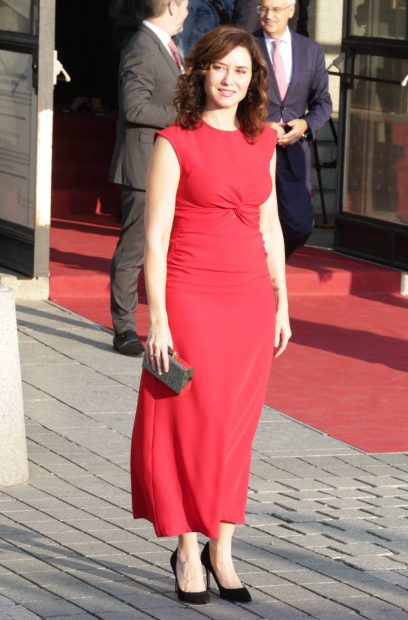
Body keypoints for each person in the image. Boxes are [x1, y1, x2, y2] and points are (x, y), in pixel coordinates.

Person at [130, 24, 291, 604]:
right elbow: (155, 238)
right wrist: (162, 319)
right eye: (221, 67)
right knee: (189, 425)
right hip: (193, 299)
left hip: (250, 303)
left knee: (235, 431)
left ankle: (222, 548)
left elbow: (269, 226)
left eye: (242, 71)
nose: (230, 79)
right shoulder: (175, 140)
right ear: (200, 72)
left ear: (253, 82)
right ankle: (185, 549)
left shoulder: (265, 142)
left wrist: (282, 300)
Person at [109, 0, 189, 355]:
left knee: (164, 246)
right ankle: (124, 328)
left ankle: (166, 321)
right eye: (186, 5)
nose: (188, 12)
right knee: (135, 249)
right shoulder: (141, 45)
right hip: (142, 165)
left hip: (165, 164)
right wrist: (186, 115)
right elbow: (135, 106)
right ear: (172, 6)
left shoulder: (165, 45)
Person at [253, 0, 332, 258]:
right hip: (254, 147)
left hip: (294, 150)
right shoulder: (243, 46)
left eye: (276, 9)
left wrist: (306, 124)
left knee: (300, 225)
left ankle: (270, 264)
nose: (268, 15)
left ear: (291, 10)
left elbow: (323, 102)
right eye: (263, 9)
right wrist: (258, 126)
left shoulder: (310, 50)